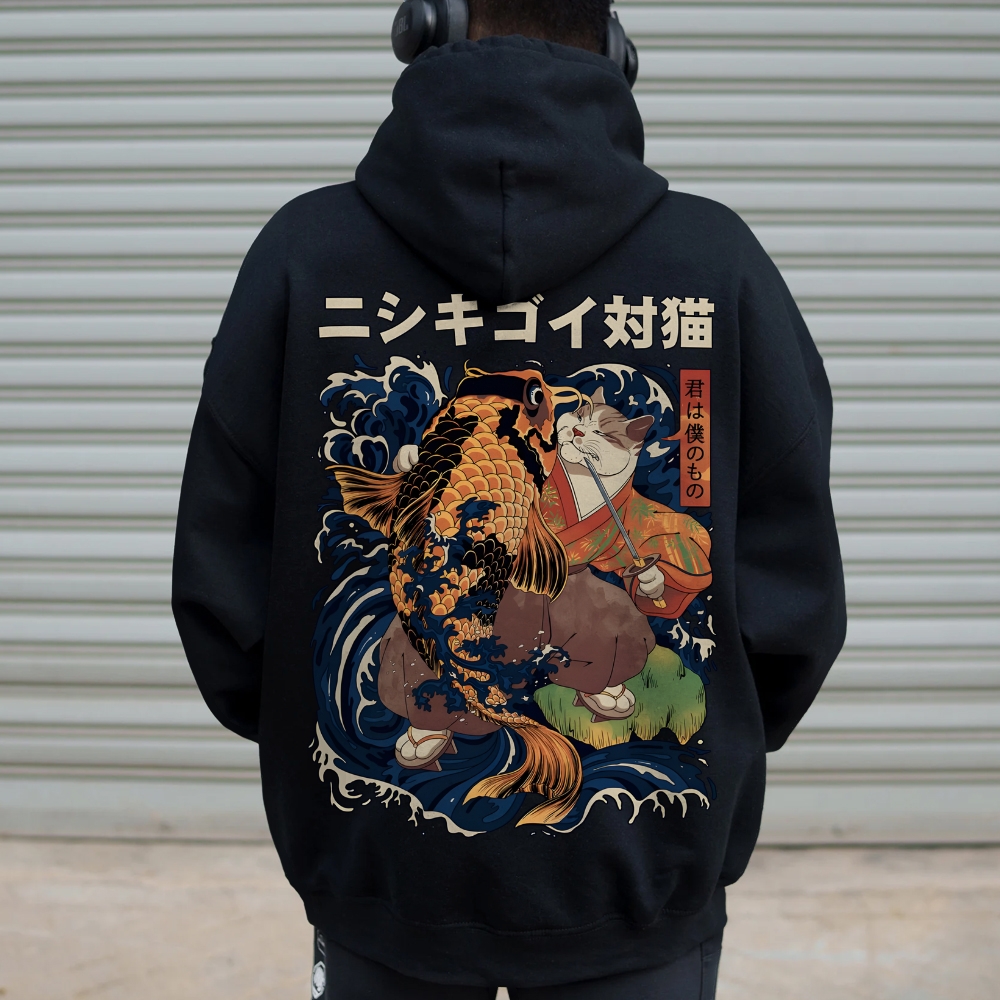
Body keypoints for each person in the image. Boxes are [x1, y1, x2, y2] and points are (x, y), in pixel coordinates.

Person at [172, 0, 846, 996]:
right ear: (614, 48)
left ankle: (445, 715)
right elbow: (794, 604)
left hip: (378, 879)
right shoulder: (717, 265)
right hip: (639, 888)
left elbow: (222, 589)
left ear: (428, 26)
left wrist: (306, 739)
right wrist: (716, 736)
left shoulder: (302, 255)